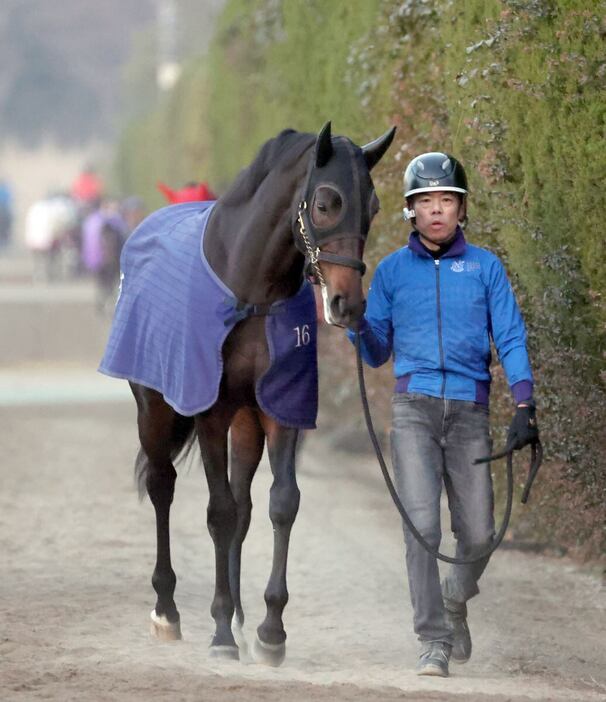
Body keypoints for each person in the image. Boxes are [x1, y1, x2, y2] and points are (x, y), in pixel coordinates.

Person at [347, 152, 539, 677]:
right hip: (414, 411)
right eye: (426, 201)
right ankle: (433, 640)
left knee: (478, 534)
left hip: (471, 412)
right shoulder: (389, 273)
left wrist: (524, 401)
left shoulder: (485, 267)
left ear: (461, 209)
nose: (437, 210)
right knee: (423, 528)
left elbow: (512, 336)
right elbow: (376, 351)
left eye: (446, 201)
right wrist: (357, 323)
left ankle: (454, 598)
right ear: (411, 211)